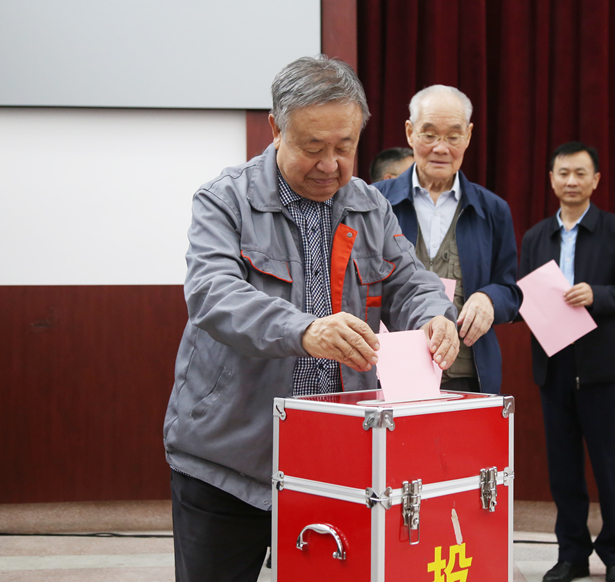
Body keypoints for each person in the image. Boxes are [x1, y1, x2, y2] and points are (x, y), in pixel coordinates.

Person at [163, 55, 459, 582]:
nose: (330, 165)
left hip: (338, 461)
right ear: (276, 129)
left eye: (345, 147)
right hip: (230, 460)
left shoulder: (370, 207)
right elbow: (213, 294)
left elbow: (412, 283)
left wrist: (436, 317)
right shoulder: (225, 200)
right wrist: (304, 329)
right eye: (313, 147)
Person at [518, 142, 615, 582]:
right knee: (564, 470)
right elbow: (524, 294)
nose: (571, 181)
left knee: (611, 468)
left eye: (580, 173)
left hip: (601, 368)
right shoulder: (536, 237)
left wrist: (597, 295)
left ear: (595, 180)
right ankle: (571, 554)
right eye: (563, 173)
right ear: (551, 180)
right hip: (554, 366)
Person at [374, 85, 521, 395]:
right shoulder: (375, 202)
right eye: (429, 135)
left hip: (468, 374)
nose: (441, 148)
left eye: (453, 136)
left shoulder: (492, 209)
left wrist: (490, 299)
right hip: (388, 372)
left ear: (468, 136)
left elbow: (510, 290)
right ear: (410, 132)